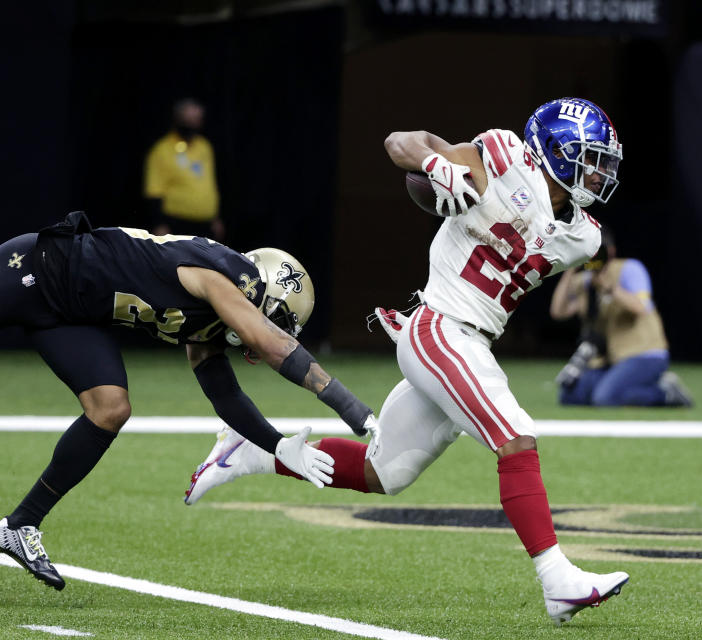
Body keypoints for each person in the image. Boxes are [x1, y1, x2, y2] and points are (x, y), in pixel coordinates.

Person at [185, 98, 629, 626]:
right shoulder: (505, 157)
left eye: (605, 161)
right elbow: (401, 142)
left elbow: (537, 237)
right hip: (439, 327)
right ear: (554, 150)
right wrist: (438, 166)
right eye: (590, 158)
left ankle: (254, 451)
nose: (600, 172)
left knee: (383, 472)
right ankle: (557, 580)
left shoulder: (585, 236)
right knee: (516, 436)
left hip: (472, 339)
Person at [0, 210, 377, 590]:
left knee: (110, 408)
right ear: (259, 295)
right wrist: (351, 408)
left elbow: (224, 394)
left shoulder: (215, 320)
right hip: (34, 270)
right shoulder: (221, 275)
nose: (267, 333)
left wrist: (278, 447)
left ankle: (19, 525)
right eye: (273, 317)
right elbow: (270, 341)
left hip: (72, 314)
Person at [549, 228, 693, 407]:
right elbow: (558, 311)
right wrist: (569, 268)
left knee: (605, 398)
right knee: (570, 395)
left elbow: (641, 308)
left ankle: (665, 392)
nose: (593, 256)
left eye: (597, 249)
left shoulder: (629, 269)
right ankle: (622, 386)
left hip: (645, 355)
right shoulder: (586, 281)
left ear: (611, 251)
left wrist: (611, 289)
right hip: (613, 359)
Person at [144, 98, 224, 240]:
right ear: (179, 119)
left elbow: (208, 185)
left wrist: (214, 218)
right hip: (176, 225)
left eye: (197, 119)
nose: (194, 123)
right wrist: (159, 223)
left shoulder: (204, 146)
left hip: (205, 225)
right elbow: (154, 191)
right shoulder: (162, 149)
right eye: (190, 119)